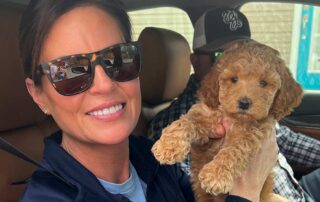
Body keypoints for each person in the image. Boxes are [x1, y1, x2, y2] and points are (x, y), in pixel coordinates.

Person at [17, 1, 278, 201]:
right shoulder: (48, 196)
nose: (105, 84)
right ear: (38, 94)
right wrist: (246, 190)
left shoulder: (151, 159)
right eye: (71, 71)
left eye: (118, 59)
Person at [148, 7, 320, 202]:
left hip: (300, 193)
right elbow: (206, 189)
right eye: (220, 55)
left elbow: (287, 140)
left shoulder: (256, 102)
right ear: (195, 62)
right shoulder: (172, 122)